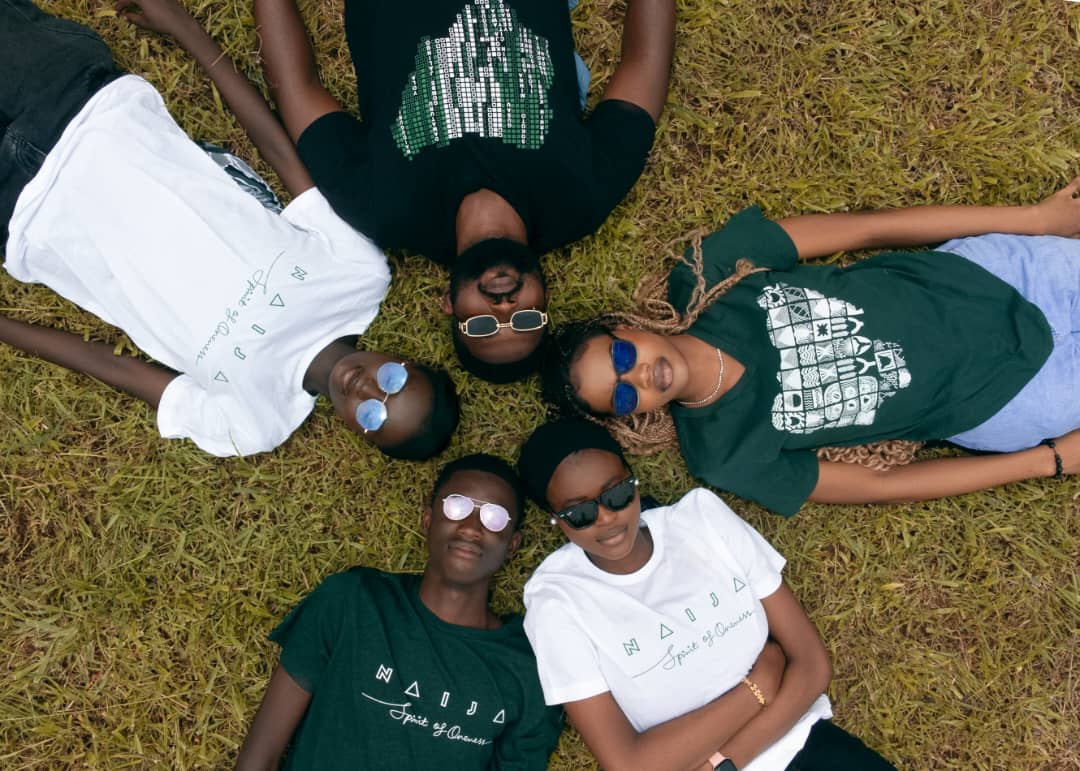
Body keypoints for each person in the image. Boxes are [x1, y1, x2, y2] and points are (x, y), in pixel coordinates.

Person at [0, 0, 458, 459]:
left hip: (21, 214)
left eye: (373, 417)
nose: (365, 390)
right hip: (82, 103)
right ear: (404, 361)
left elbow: (117, 368)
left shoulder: (254, 422)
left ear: (358, 433)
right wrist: (183, 28)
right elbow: (277, 149)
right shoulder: (360, 275)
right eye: (393, 383)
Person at [542, 182, 1080, 514]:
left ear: (626, 326)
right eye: (622, 398)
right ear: (631, 417)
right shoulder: (722, 453)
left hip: (1001, 278)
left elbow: (869, 230)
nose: (637, 377)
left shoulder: (708, 271)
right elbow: (879, 485)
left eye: (619, 358)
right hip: (1012, 397)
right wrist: (1046, 462)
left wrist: (1034, 220)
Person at [253, 0, 676, 382]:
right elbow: (643, 66)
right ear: (545, 297)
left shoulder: (382, 208)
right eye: (527, 319)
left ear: (450, 306)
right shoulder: (582, 197)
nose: (505, 308)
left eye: (483, 326)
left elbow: (297, 88)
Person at [517, 419, 895, 771]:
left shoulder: (701, 519)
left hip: (812, 749)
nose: (607, 518)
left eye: (616, 494)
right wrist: (758, 688)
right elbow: (629, 763)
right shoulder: (556, 600)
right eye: (579, 513)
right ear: (555, 520)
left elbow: (812, 664)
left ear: (633, 482)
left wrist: (726, 762)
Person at [234, 453, 563, 769]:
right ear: (428, 519)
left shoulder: (529, 668)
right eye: (457, 506)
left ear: (512, 543)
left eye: (494, 517)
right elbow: (260, 757)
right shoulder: (353, 602)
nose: (472, 527)